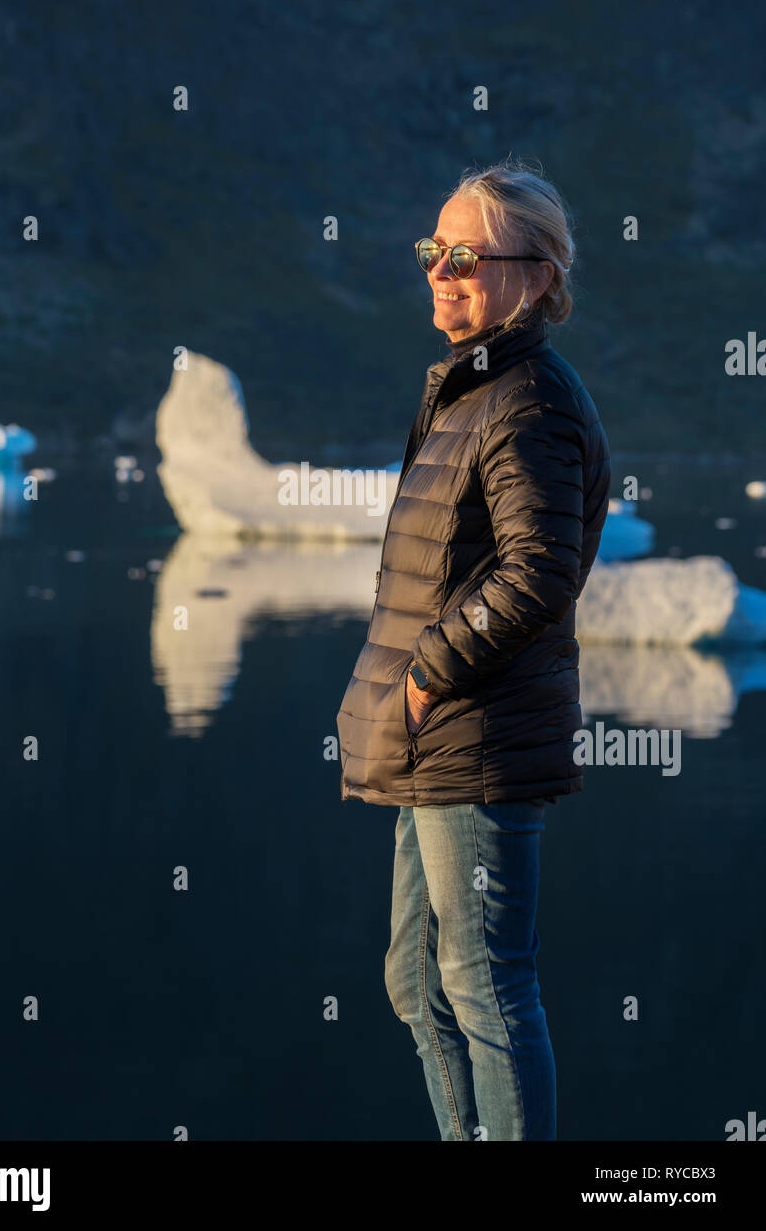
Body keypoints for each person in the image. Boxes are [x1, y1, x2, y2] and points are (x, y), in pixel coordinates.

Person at [336, 158, 611, 1141]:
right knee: (417, 978)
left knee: (485, 981)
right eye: (432, 251)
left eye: (466, 256)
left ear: (534, 275)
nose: (440, 272)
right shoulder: (471, 387)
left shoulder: (527, 399)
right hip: (438, 735)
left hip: (475, 734)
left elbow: (538, 571)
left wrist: (423, 678)